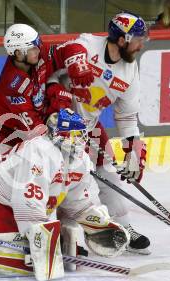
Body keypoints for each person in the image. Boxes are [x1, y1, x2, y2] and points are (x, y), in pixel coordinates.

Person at [0, 109, 130, 281]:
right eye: (74, 135)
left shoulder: (80, 160)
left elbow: (78, 202)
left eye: (81, 134)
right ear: (60, 134)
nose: (80, 140)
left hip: (12, 202)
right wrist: (41, 242)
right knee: (26, 257)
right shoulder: (39, 153)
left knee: (34, 252)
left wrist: (98, 225)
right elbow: (27, 202)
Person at [47, 12, 151, 254]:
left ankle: (124, 230)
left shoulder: (130, 71)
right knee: (60, 181)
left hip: (88, 127)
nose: (142, 43)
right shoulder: (86, 45)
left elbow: (126, 117)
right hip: (54, 123)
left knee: (110, 175)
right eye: (138, 38)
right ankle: (61, 235)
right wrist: (57, 100)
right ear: (122, 39)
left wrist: (132, 153)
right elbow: (49, 70)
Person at [0, 23, 94, 158]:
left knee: (60, 96)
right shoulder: (12, 84)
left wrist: (77, 61)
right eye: (33, 48)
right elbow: (34, 128)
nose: (38, 50)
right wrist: (60, 139)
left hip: (27, 121)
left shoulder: (37, 55)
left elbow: (68, 49)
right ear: (18, 53)